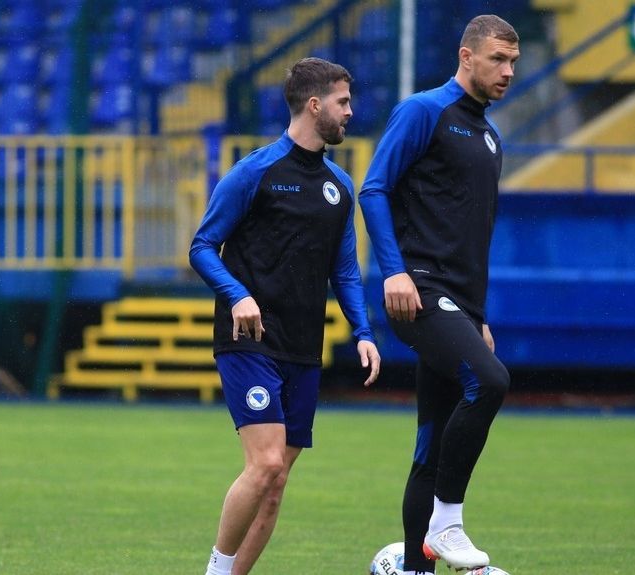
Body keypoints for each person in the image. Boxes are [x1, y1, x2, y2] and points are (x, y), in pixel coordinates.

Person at [190, 57, 381, 575]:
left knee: (275, 485)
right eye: (343, 101)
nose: (350, 111)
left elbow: (345, 271)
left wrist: (363, 332)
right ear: (314, 105)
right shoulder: (255, 172)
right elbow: (202, 246)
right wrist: (238, 295)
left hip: (303, 346)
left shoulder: (339, 186)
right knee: (266, 461)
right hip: (249, 339)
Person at [359, 15, 519, 574]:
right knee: (491, 381)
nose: (507, 71)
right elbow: (373, 188)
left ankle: (413, 568)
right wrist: (393, 273)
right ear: (466, 56)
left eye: (513, 62)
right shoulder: (424, 110)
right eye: (497, 59)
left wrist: (477, 316)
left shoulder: (491, 137)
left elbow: (471, 234)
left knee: (430, 444)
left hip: (460, 304)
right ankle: (447, 522)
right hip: (418, 289)